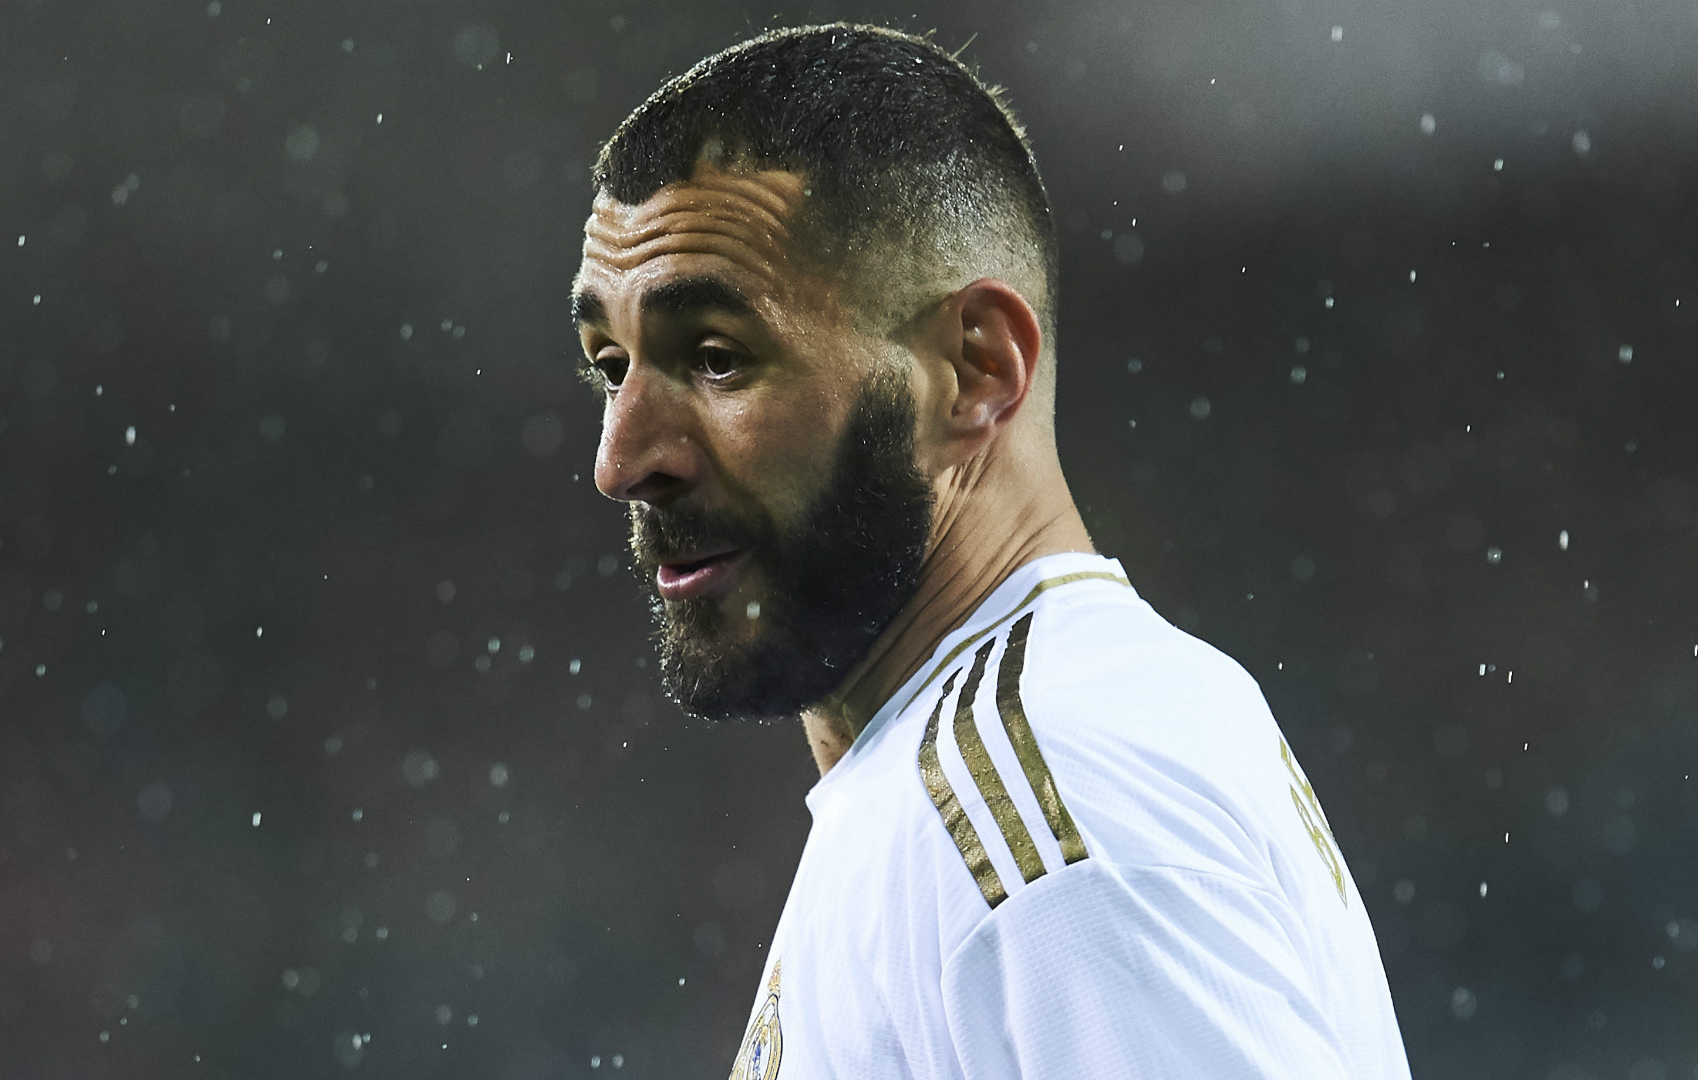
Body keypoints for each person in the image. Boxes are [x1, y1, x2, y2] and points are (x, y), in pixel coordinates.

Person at [570, 23, 1411, 1079]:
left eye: (716, 358)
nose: (622, 459)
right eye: (611, 365)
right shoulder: (985, 772)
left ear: (975, 370)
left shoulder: (1046, 812)